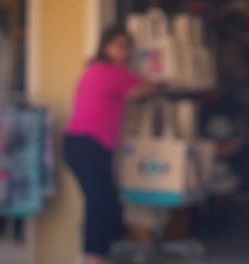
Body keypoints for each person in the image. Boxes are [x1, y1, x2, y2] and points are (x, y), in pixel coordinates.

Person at [63, 26, 160, 264]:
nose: (124, 51)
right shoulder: (113, 72)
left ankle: (102, 252)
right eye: (120, 46)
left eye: (128, 46)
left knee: (105, 200)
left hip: (80, 144)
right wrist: (163, 80)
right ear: (106, 47)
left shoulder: (94, 70)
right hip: (89, 144)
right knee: (99, 201)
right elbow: (148, 87)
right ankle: (93, 257)